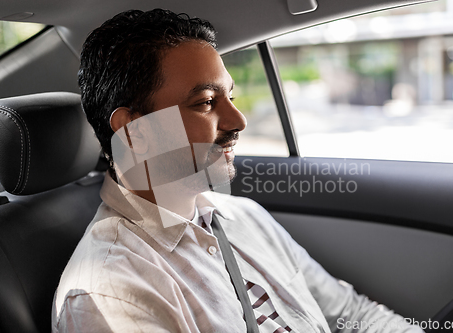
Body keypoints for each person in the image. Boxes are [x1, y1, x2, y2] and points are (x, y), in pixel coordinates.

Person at [52, 8, 424, 333]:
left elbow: (350, 314)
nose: (239, 120)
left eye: (231, 96)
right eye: (206, 102)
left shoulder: (243, 216)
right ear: (136, 132)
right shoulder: (110, 293)